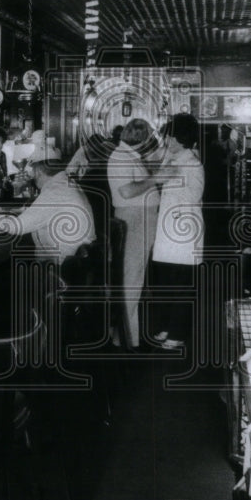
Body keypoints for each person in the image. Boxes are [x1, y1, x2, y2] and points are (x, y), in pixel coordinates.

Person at [149, 113, 205, 350]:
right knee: (167, 283)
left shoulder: (192, 164)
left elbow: (194, 196)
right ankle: (168, 326)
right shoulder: (172, 159)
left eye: (170, 136)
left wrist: (173, 177)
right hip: (168, 232)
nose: (167, 141)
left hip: (183, 234)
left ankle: (179, 332)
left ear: (180, 138)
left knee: (181, 285)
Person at [106, 118, 161, 349]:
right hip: (134, 218)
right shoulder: (120, 157)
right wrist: (156, 179)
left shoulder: (129, 155)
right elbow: (127, 191)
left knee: (133, 278)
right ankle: (125, 340)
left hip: (140, 218)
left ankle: (127, 336)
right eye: (149, 136)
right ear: (142, 138)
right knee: (131, 280)